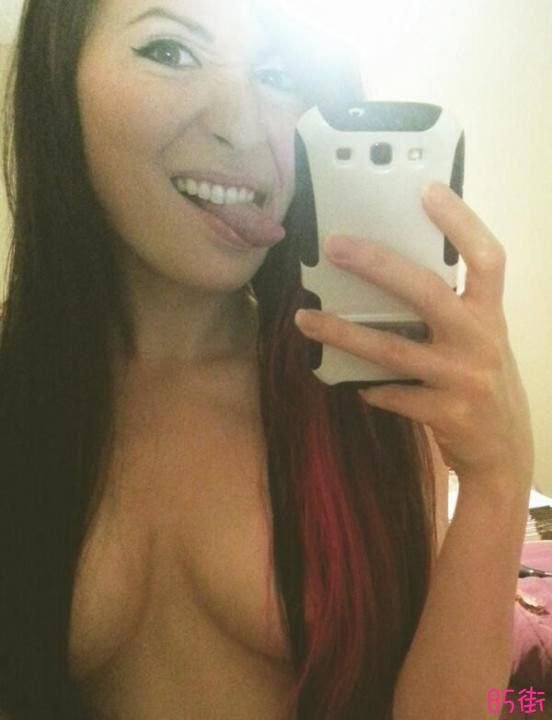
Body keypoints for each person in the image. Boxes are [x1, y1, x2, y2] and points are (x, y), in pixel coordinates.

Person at [0, 0, 534, 719]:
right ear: (58, 78)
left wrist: (500, 475)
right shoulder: (18, 387)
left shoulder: (358, 385)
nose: (244, 127)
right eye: (170, 51)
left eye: (279, 74)